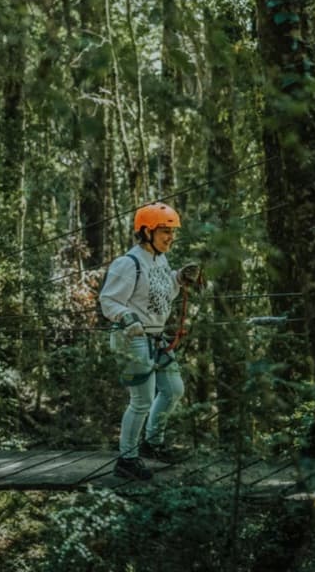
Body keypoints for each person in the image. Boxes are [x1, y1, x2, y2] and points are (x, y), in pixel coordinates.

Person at [99, 202, 204, 480]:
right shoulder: (127, 263)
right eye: (164, 231)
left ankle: (152, 443)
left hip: (155, 337)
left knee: (173, 389)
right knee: (141, 400)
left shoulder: (159, 260)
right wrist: (127, 317)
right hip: (131, 337)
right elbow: (108, 301)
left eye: (172, 232)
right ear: (146, 232)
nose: (170, 237)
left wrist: (179, 278)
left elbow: (160, 293)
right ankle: (127, 459)